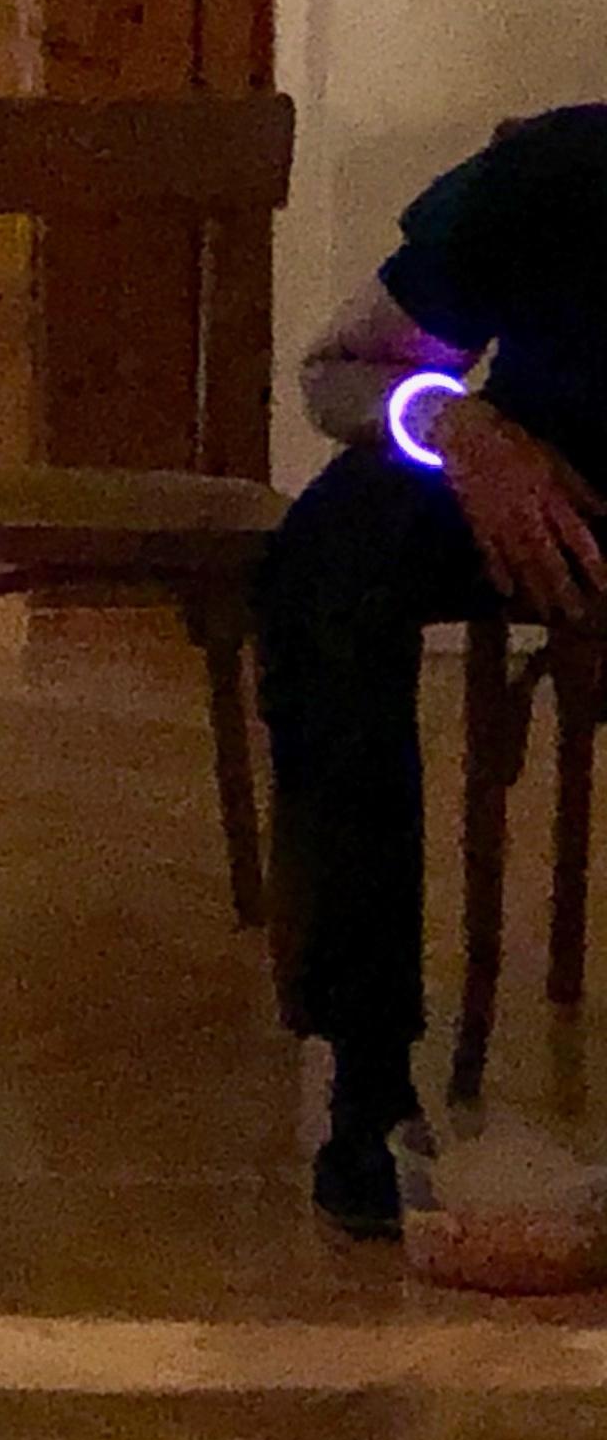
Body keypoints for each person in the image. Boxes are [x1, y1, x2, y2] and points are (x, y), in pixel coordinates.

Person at [260, 104, 607, 1237]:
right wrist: (449, 422)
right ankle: (367, 1079)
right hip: (547, 475)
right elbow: (339, 367)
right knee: (336, 554)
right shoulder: (554, 173)